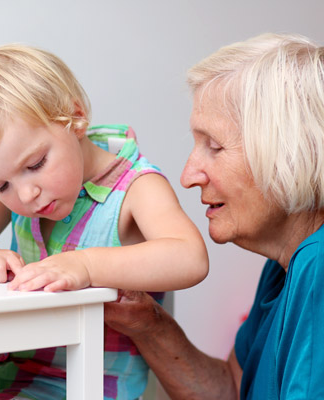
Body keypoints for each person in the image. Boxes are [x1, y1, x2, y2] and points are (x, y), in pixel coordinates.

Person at [0, 45, 208, 399]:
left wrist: (85, 265)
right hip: (8, 364)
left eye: (36, 164)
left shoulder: (136, 188)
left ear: (74, 119)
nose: (25, 194)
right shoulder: (17, 184)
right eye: (0, 186)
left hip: (84, 381)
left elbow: (189, 257)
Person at [105, 32, 324, 399]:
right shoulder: (283, 265)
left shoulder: (318, 264)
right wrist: (148, 324)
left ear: (290, 152)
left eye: (215, 146)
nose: (188, 176)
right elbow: (233, 389)